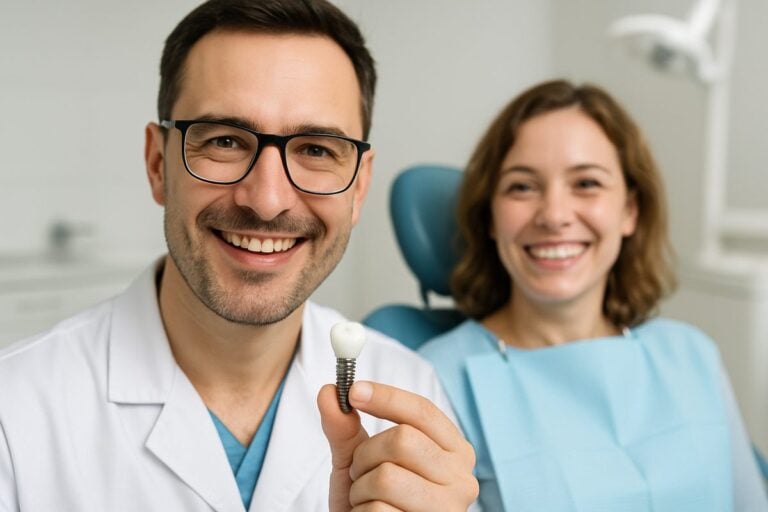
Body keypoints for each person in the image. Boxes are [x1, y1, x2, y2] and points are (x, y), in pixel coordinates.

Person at [0, 1, 478, 510]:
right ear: (158, 164)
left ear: (359, 187)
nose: (268, 200)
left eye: (316, 150)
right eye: (226, 141)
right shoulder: (17, 411)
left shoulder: (410, 398)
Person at [419, 79, 768, 511]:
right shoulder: (435, 379)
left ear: (630, 211)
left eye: (586, 183)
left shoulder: (693, 356)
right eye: (522, 187)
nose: (554, 216)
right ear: (491, 217)